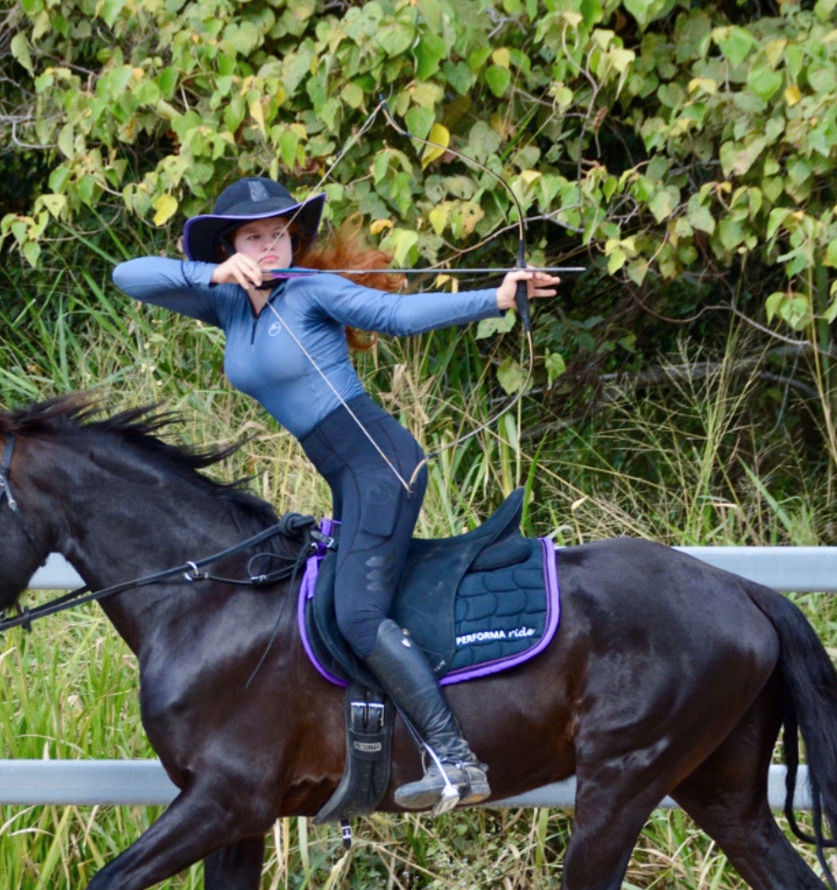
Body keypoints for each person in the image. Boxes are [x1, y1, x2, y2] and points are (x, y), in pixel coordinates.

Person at [113, 176, 559, 812]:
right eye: (253, 236)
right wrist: (210, 277)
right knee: (334, 602)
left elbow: (399, 317)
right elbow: (128, 275)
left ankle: (456, 758)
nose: (271, 246)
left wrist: (497, 298)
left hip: (381, 464)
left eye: (279, 234)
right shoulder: (229, 304)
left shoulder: (314, 292)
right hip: (348, 475)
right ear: (230, 247)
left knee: (355, 614)